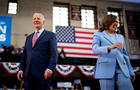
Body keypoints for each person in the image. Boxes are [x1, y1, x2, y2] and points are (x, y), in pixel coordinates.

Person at [92, 14, 135, 90]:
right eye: (114, 21)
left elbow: (125, 55)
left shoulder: (120, 37)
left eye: (117, 22)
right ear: (108, 22)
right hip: (106, 68)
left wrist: (131, 71)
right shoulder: (98, 35)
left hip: (122, 69)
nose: (116, 24)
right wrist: (109, 47)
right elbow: (95, 49)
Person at [17, 13, 58, 90]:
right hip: (28, 75)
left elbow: (54, 54)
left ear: (44, 21)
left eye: (38, 18)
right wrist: (21, 69)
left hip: (43, 74)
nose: (36, 20)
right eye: (34, 18)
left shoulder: (51, 35)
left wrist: (50, 68)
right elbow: (24, 56)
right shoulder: (29, 37)